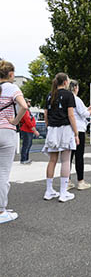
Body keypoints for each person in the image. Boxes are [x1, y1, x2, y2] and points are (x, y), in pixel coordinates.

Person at [42, 73, 79, 203]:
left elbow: (46, 115)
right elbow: (71, 116)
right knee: (65, 160)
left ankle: (49, 191)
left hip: (52, 129)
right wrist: (76, 133)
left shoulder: (49, 95)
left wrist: (49, 127)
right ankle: (63, 192)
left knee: (52, 160)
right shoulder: (69, 95)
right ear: (65, 82)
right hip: (65, 130)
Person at [0, 60, 27, 224]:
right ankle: (1, 210)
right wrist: (16, 121)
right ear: (11, 74)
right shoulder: (12, 87)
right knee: (3, 173)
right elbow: (23, 106)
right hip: (6, 132)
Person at [68, 80, 91, 190]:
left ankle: (67, 181)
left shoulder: (67, 98)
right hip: (79, 129)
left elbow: (80, 111)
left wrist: (89, 107)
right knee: (79, 157)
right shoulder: (76, 99)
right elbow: (85, 114)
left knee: (68, 157)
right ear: (75, 87)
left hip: (69, 129)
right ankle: (81, 181)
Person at [20, 98, 40, 164]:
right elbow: (28, 121)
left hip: (29, 130)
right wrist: (34, 130)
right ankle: (23, 159)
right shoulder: (24, 110)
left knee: (28, 144)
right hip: (26, 130)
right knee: (26, 144)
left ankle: (26, 158)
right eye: (28, 102)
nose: (29, 103)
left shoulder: (28, 111)